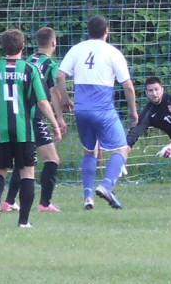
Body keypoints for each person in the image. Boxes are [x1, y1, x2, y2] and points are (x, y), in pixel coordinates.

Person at [0, 29, 62, 228]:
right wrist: (55, 123)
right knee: (27, 173)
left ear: (2, 47)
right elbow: (42, 101)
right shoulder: (30, 69)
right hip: (24, 131)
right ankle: (23, 221)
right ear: (23, 46)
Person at [56, 15, 138, 210]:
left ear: (88, 31)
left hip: (81, 110)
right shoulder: (112, 52)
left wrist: (65, 99)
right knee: (121, 149)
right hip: (103, 110)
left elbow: (59, 76)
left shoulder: (77, 49)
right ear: (106, 31)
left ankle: (88, 197)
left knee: (89, 151)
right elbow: (127, 86)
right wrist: (133, 111)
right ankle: (106, 186)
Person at [1, 27, 68, 213]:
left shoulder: (28, 60)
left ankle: (9, 202)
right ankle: (44, 204)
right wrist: (59, 118)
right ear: (54, 43)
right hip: (35, 117)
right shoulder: (51, 65)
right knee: (52, 159)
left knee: (25, 161)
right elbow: (52, 93)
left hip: (20, 116)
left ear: (36, 43)